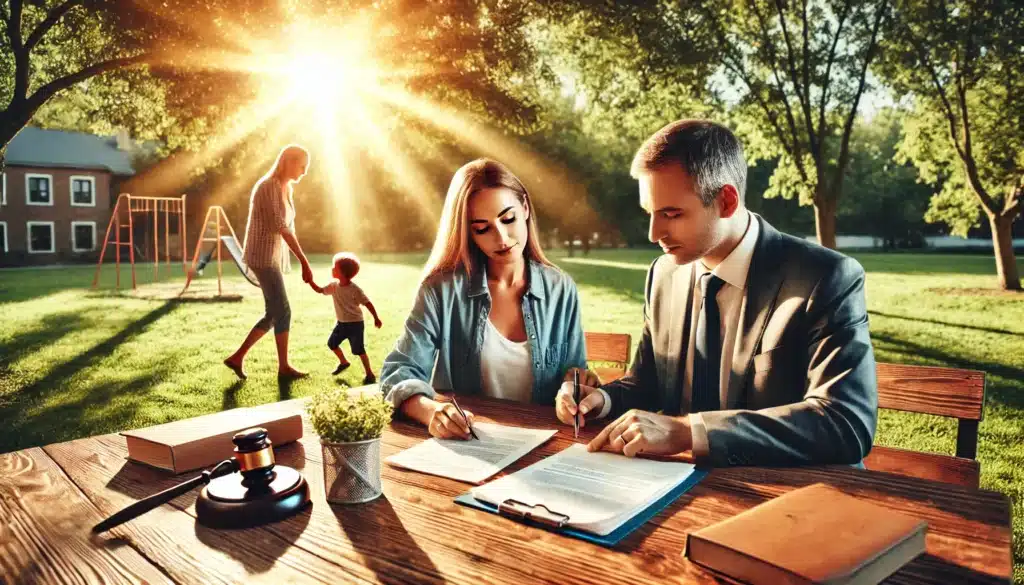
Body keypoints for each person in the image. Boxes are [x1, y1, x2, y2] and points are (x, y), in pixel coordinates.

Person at [556, 120, 877, 466]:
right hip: (678, 487)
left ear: (726, 201)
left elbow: (846, 423)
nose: (653, 233)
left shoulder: (823, 278)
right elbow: (648, 383)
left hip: (789, 493)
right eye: (650, 213)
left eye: (671, 213)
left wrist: (691, 432)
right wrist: (601, 400)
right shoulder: (664, 274)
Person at [380, 158, 598, 440]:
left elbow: (574, 373)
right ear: (469, 233)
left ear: (526, 209)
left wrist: (576, 387)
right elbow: (398, 370)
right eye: (482, 228)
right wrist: (430, 411)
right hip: (470, 445)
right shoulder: (441, 291)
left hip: (547, 445)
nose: (502, 237)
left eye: (508, 219)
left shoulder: (561, 289)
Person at [224, 144, 316, 380]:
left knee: (275, 312)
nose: (304, 172)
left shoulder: (286, 189)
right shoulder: (268, 187)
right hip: (261, 257)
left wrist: (302, 259)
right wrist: (304, 262)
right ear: (288, 162)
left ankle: (238, 358)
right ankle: (282, 367)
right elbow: (280, 226)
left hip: (270, 256)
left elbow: (290, 227)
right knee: (282, 310)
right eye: (302, 166)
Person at [311, 252, 383, 384]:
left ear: (343, 272)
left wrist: (376, 318)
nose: (332, 268)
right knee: (332, 343)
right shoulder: (333, 286)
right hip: (341, 324)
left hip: (355, 325)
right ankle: (343, 362)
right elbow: (320, 290)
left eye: (335, 267)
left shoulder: (355, 289)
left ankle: (369, 373)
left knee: (358, 350)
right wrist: (310, 281)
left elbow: (367, 303)